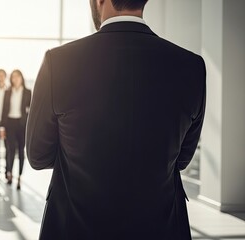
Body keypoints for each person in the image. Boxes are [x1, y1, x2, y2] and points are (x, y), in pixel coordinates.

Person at [25, 0, 206, 239]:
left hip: (75, 228)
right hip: (160, 228)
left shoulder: (59, 62)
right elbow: (182, 159)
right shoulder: (190, 66)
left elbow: (38, 156)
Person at [1, 70, 31, 190]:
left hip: (22, 124)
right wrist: (2, 127)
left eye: (17, 77)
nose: (15, 79)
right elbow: (3, 109)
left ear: (21, 78)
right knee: (10, 150)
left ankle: (19, 176)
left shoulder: (28, 92)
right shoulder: (8, 92)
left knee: (21, 150)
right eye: (13, 77)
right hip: (10, 123)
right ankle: (9, 174)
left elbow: (31, 110)